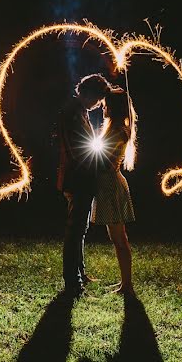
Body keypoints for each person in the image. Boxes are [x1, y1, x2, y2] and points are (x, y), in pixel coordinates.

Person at [56, 73, 122, 297]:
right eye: (99, 99)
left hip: (79, 179)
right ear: (89, 94)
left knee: (79, 230)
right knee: (75, 231)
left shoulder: (78, 112)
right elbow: (78, 151)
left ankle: (79, 274)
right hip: (77, 180)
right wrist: (104, 160)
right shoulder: (72, 114)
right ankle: (73, 283)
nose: (100, 104)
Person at [92, 91, 136, 295]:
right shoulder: (114, 129)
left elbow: (106, 162)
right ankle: (124, 284)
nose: (103, 108)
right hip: (109, 184)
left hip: (111, 185)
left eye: (105, 104)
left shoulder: (118, 131)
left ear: (114, 107)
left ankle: (127, 285)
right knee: (117, 238)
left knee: (120, 239)